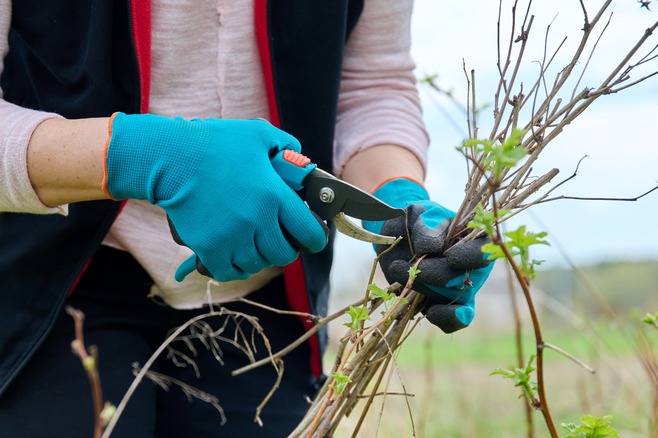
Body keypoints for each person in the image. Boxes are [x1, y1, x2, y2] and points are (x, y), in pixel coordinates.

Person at [0, 1, 492, 436]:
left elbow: (372, 86)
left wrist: (398, 199)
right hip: (51, 290)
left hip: (268, 301)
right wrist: (140, 155)